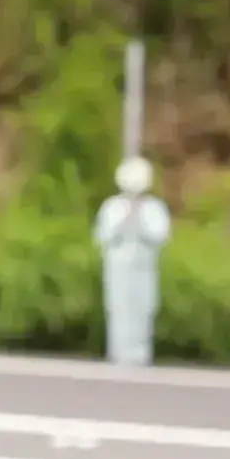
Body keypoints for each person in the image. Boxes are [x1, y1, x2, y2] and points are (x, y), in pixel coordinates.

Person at [94, 155, 171, 365]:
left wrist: (141, 221)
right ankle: (118, 353)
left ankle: (141, 355)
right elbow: (103, 235)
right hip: (118, 267)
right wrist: (125, 218)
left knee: (144, 307)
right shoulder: (112, 207)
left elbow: (160, 236)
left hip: (144, 266)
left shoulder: (154, 208)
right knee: (118, 308)